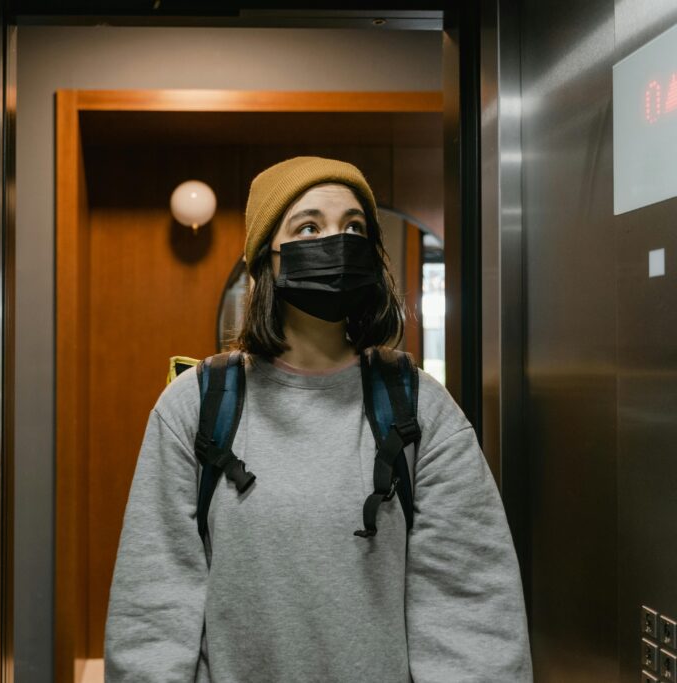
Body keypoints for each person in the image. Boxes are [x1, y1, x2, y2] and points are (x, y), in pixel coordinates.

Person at [103, 156, 533, 682]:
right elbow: (153, 609)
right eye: (309, 226)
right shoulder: (196, 407)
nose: (339, 241)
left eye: (354, 227)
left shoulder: (420, 408)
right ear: (268, 257)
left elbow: (471, 613)